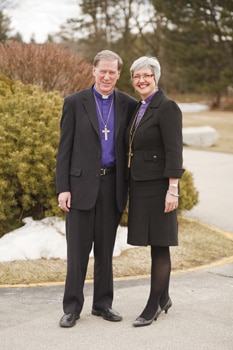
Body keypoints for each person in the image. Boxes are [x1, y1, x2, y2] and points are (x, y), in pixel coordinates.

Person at [56, 50, 137, 328]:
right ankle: (72, 307)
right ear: (93, 71)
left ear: (117, 74)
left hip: (112, 185)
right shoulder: (75, 102)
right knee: (77, 252)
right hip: (79, 188)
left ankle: (103, 304)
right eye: (102, 71)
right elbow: (63, 149)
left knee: (105, 250)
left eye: (112, 72)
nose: (106, 76)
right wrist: (63, 187)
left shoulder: (127, 104)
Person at [126, 56, 184, 327]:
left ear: (155, 77)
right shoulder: (139, 106)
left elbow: (174, 151)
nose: (141, 80)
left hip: (160, 187)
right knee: (154, 243)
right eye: (137, 76)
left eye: (147, 75)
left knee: (160, 245)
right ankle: (165, 297)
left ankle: (152, 306)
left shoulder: (167, 107)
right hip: (141, 185)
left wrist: (173, 189)